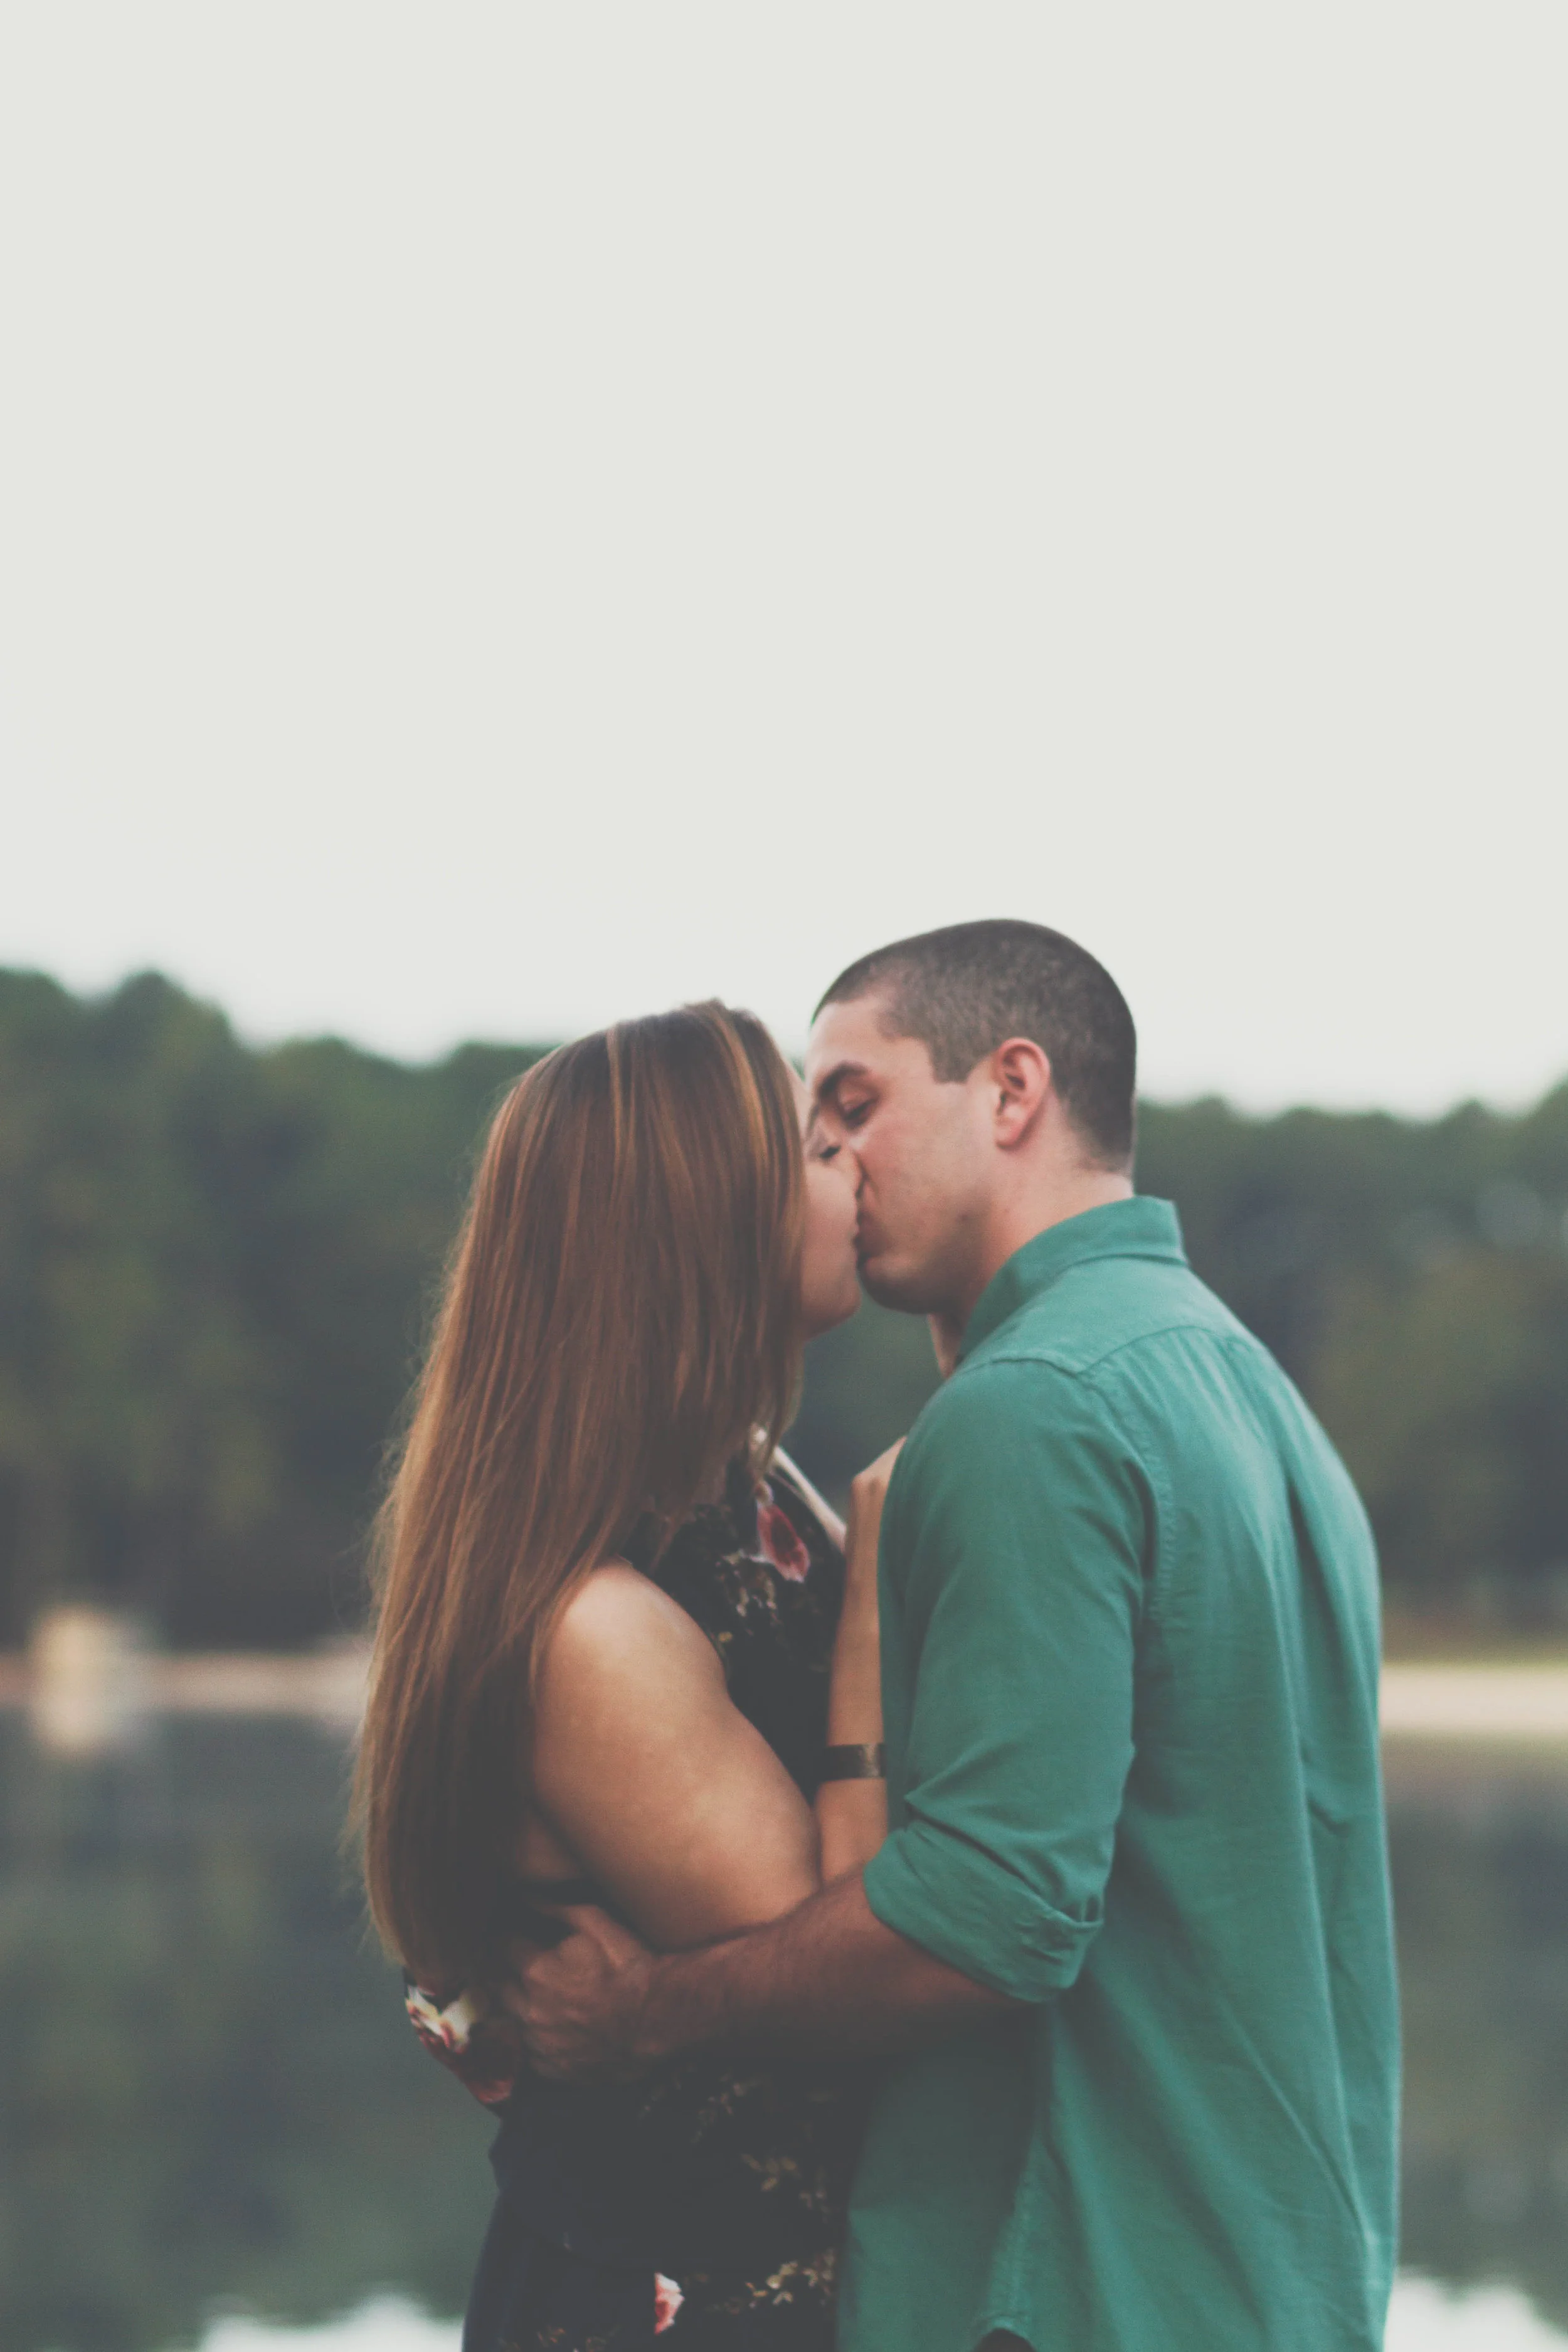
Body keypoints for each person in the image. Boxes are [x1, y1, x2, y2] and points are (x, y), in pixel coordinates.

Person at [501, 920, 1401, 2352]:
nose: (835, 1161)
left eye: (852, 1106)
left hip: (1066, 2287)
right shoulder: (1244, 1388)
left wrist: (647, 2015)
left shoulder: (1029, 1410)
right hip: (1272, 2279)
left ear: (1009, 1091)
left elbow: (981, 1929)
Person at [353, 1001, 902, 2350]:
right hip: (689, 2309)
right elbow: (850, 1973)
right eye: (813, 1147)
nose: (854, 1169)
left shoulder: (743, 1485)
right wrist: (883, 1593)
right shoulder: (593, 1628)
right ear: (704, 1223)